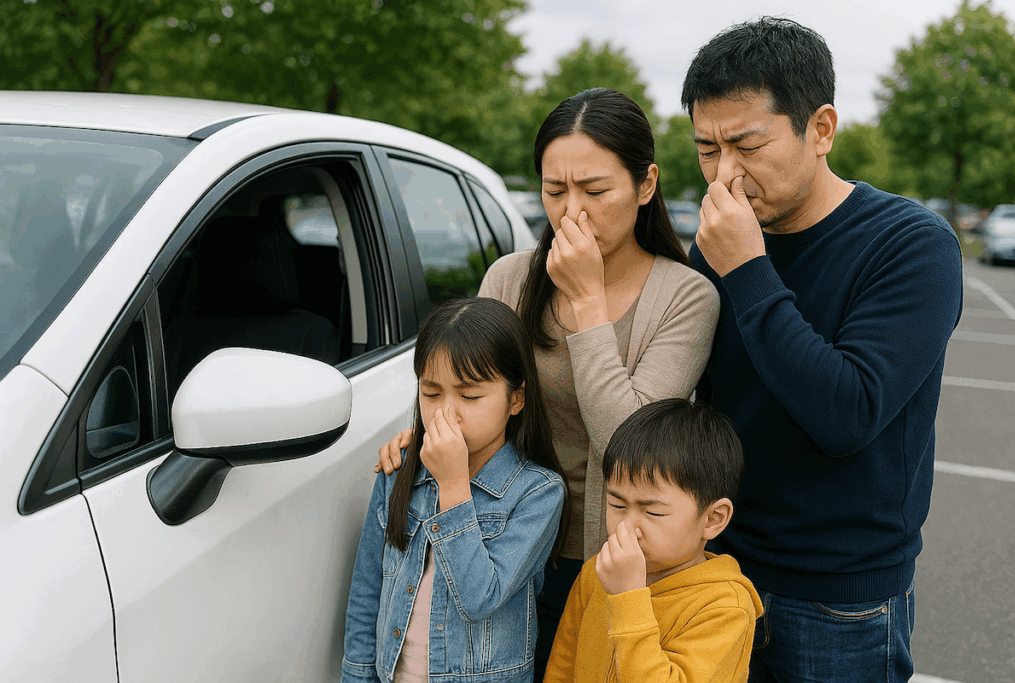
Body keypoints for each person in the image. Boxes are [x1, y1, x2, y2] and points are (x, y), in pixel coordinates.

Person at [377, 87, 720, 680]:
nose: (572, 213)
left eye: (595, 190)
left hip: (605, 562)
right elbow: (463, 387)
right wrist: (418, 438)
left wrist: (588, 304)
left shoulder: (686, 296)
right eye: (555, 191)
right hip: (492, 547)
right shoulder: (510, 278)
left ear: (646, 185)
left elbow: (631, 445)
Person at [680, 17, 964, 683]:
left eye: (747, 144)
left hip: (842, 599)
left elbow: (847, 412)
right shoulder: (721, 245)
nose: (726, 174)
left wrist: (748, 268)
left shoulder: (911, 244)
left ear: (821, 128)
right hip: (719, 571)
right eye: (706, 148)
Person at [342, 297, 566, 683]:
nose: (447, 413)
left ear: (516, 398)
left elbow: (480, 598)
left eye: (470, 396)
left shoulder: (538, 493)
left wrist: (453, 485)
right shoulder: (399, 470)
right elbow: (367, 590)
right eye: (431, 394)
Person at [543, 398, 761, 683]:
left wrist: (627, 599)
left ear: (713, 519)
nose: (628, 527)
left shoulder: (725, 607)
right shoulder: (596, 574)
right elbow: (562, 669)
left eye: (654, 511)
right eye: (617, 505)